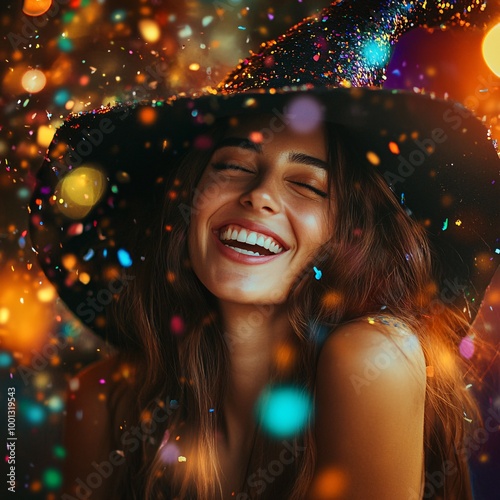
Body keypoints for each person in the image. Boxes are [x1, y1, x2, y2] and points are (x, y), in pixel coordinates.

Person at [29, 1, 499, 499]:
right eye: (232, 166)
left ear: (346, 233)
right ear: (187, 197)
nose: (260, 196)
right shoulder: (102, 401)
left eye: (307, 185)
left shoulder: (373, 357)